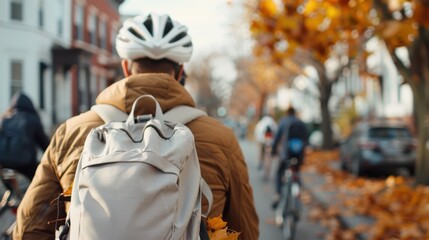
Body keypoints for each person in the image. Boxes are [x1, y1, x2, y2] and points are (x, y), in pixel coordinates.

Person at [14, 12, 259, 240]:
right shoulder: (221, 139)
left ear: (125, 68)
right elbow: (246, 229)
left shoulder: (72, 131)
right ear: (181, 71)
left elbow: (29, 227)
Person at [0, 92, 50, 180]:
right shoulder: (32, 119)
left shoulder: (5, 119)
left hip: (3, 163)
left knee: (9, 185)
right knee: (42, 178)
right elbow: (45, 145)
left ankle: (12, 192)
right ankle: (33, 193)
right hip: (25, 163)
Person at [270, 106, 308, 207]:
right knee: (297, 172)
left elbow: (277, 138)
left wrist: (273, 151)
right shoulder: (300, 123)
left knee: (279, 173)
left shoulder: (284, 122)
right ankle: (298, 193)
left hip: (286, 154)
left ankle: (278, 194)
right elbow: (306, 140)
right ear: (294, 113)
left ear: (286, 113)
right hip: (299, 155)